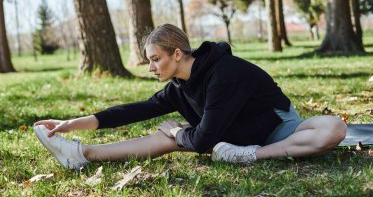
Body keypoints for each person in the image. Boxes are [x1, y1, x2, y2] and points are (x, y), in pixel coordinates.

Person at [34, 24, 347, 170]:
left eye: (155, 59)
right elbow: (133, 110)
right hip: (227, 137)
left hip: (279, 132)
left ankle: (252, 156)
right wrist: (72, 124)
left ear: (178, 53)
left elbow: (199, 142)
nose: (151, 67)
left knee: (334, 128)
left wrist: (177, 132)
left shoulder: (225, 73)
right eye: (149, 61)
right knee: (176, 135)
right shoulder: (179, 87)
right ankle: (83, 154)